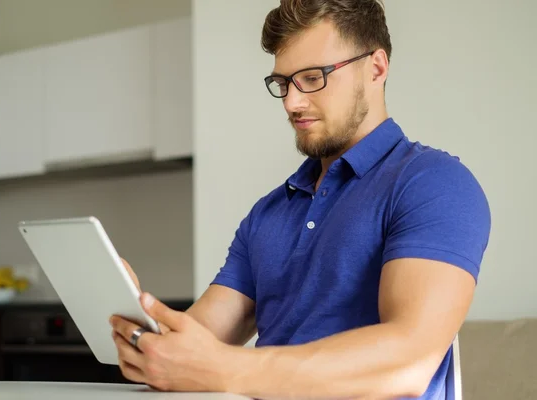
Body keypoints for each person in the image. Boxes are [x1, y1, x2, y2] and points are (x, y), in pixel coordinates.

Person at [109, 1, 491, 398]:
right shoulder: (270, 212)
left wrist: (226, 369)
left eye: (313, 77)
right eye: (284, 83)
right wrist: (143, 323)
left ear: (376, 67)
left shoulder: (433, 183)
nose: (292, 102)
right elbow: (200, 340)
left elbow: (408, 362)